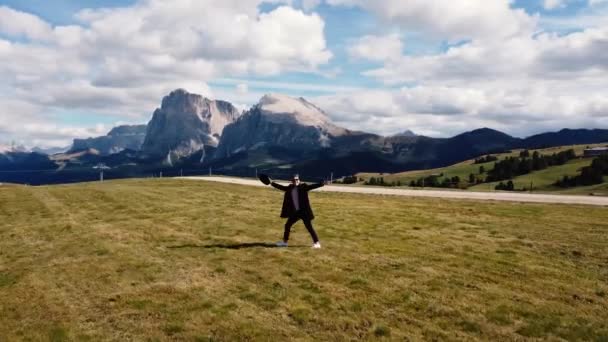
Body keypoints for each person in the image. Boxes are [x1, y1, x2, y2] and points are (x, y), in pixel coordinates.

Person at [269, 174, 325, 248]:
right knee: (287, 225)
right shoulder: (290, 187)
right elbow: (281, 187)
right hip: (296, 212)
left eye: (297, 179)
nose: (296, 181)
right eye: (294, 180)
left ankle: (317, 243)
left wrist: (321, 184)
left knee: (309, 227)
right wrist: (271, 183)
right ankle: (285, 242)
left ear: (299, 180)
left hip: (304, 212)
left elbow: (312, 186)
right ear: (292, 181)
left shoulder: (304, 187)